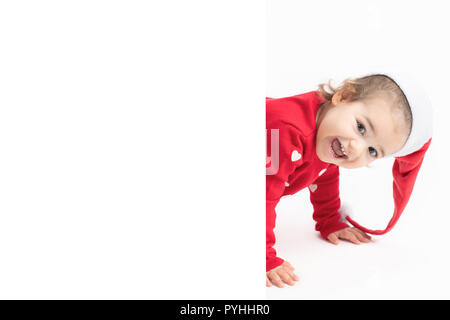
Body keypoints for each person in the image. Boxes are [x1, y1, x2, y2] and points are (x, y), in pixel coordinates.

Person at [266, 73, 432, 288]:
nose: (357, 148)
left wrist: (330, 220)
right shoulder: (285, 131)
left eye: (372, 151)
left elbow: (324, 175)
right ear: (343, 96)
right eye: (361, 127)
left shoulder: (328, 130)